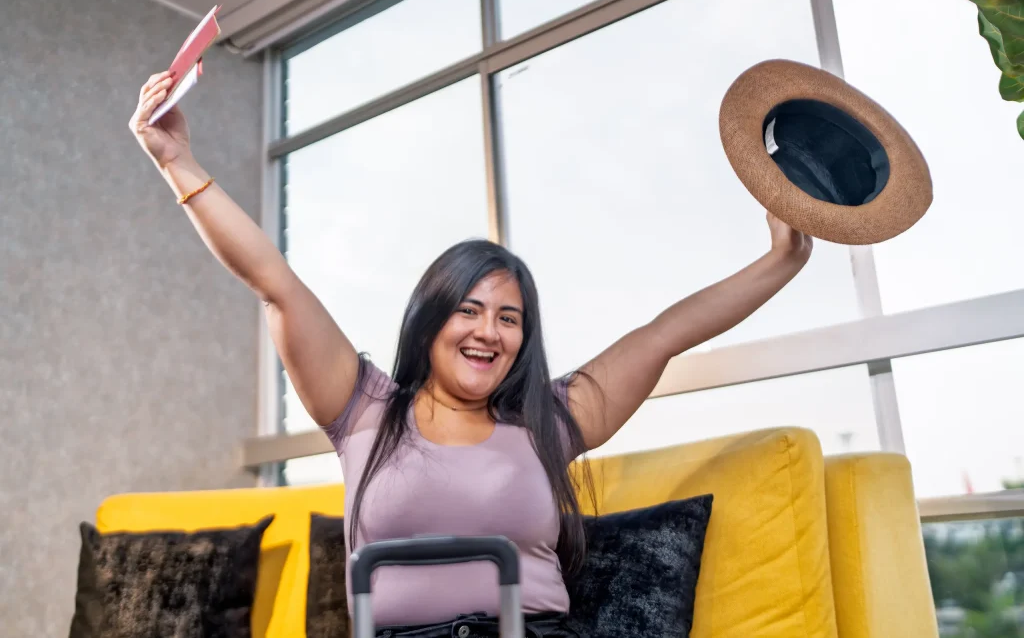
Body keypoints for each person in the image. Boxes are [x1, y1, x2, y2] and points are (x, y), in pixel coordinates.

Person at [130, 71, 813, 637]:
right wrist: (176, 160)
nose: (489, 331)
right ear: (430, 319)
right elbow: (273, 282)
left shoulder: (551, 418)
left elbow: (666, 333)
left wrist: (780, 260)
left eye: (509, 318)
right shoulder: (363, 407)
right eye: (469, 309)